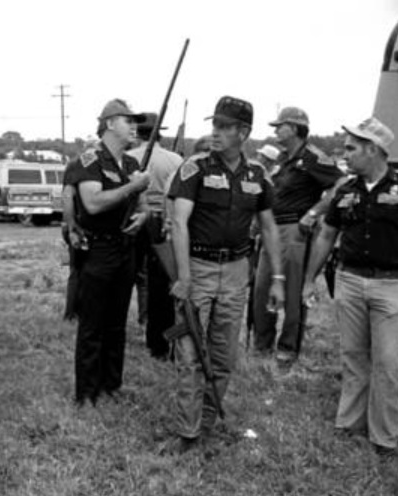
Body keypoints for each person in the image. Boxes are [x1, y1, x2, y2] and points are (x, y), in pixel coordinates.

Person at [302, 117, 398, 456]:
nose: (344, 154)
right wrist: (309, 280)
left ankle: (383, 438)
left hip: (390, 285)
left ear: (373, 150)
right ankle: (349, 424)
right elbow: (326, 235)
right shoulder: (345, 189)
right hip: (349, 281)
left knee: (388, 363)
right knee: (353, 357)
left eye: (351, 148)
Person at [165, 96, 285, 453]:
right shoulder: (195, 168)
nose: (215, 132)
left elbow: (269, 227)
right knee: (189, 355)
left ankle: (206, 424)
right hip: (198, 268)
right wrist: (184, 277)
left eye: (224, 126)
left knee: (223, 356)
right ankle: (187, 433)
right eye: (214, 125)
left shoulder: (258, 175)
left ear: (243, 132)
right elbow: (179, 222)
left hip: (236, 271)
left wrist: (278, 279)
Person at [64, 99, 151, 406]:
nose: (135, 127)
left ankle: (111, 386)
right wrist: (132, 187)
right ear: (110, 123)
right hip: (98, 249)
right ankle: (87, 393)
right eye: (129, 121)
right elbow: (93, 203)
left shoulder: (131, 165)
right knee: (93, 324)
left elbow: (143, 205)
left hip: (125, 247)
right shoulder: (90, 161)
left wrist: (144, 216)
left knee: (116, 323)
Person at [252, 107, 343, 369]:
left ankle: (287, 349)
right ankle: (262, 345)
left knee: (293, 292)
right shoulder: (282, 158)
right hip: (272, 230)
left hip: (296, 230)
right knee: (262, 288)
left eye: (279, 126)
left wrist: (314, 213)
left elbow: (340, 184)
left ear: (294, 128)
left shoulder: (313, 157)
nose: (275, 131)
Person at [126, 112, 184, 359]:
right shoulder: (176, 159)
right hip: (162, 222)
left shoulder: (128, 158)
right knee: (161, 285)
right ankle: (158, 342)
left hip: (135, 220)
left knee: (126, 278)